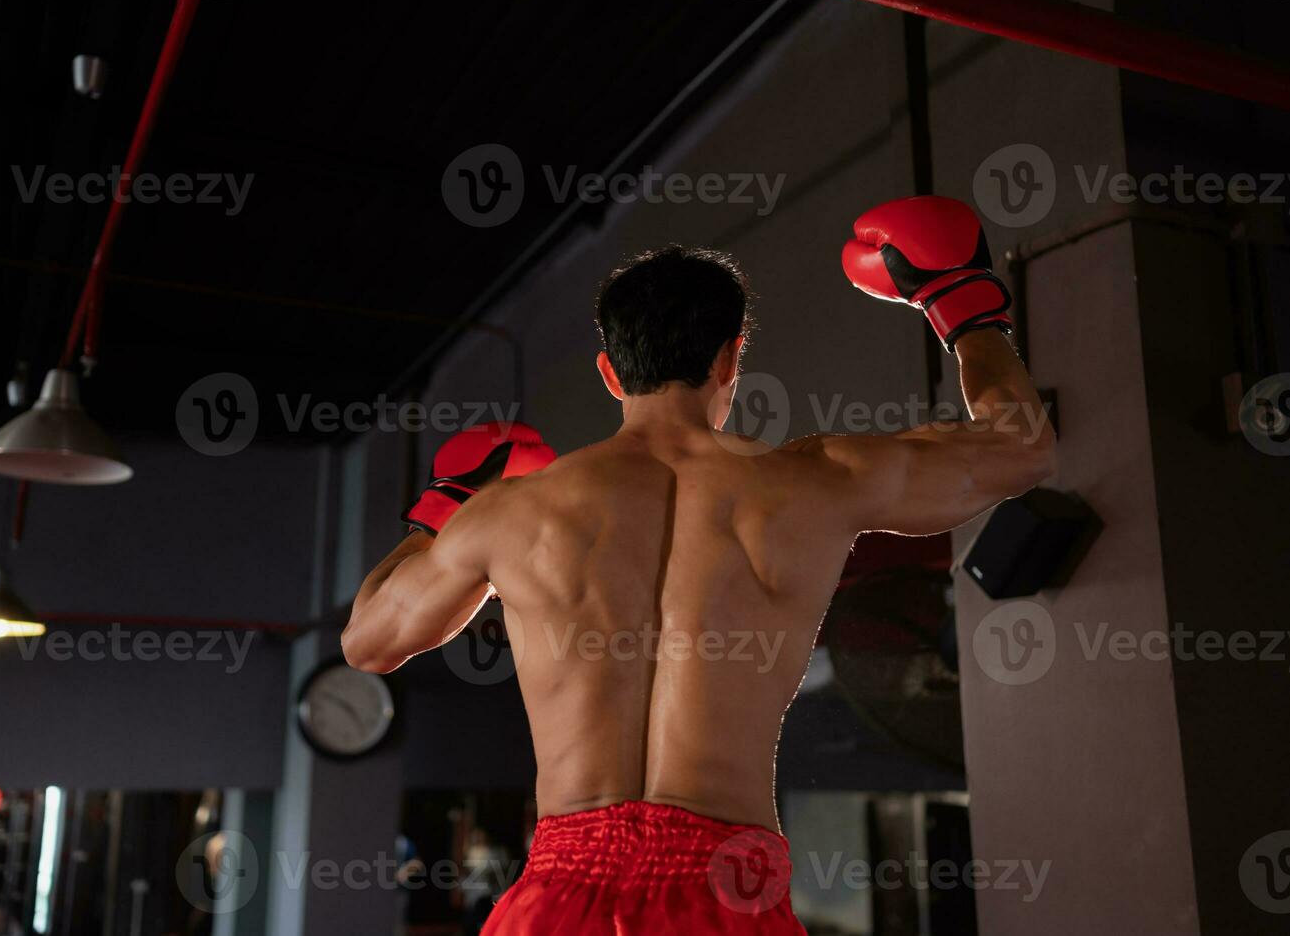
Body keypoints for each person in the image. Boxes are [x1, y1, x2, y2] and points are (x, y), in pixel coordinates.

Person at [343, 196, 1056, 934]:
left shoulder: (512, 512)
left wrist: (446, 502)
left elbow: (368, 641)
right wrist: (960, 304)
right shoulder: (819, 479)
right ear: (729, 358)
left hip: (557, 896)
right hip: (724, 884)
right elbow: (1023, 447)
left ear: (609, 373)